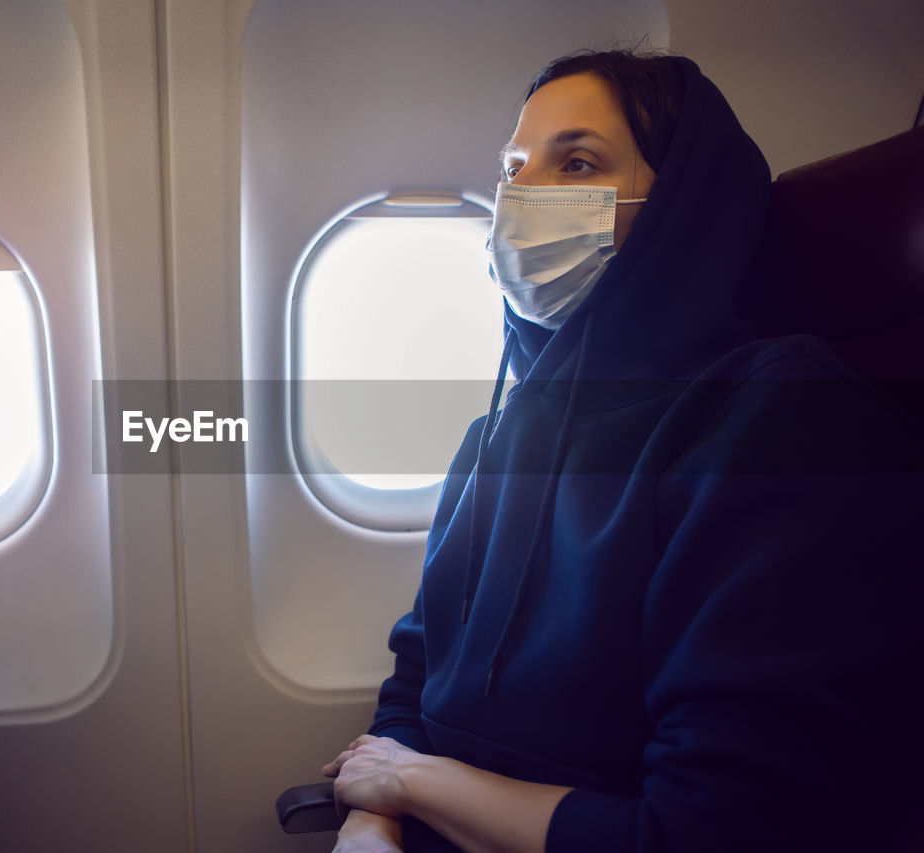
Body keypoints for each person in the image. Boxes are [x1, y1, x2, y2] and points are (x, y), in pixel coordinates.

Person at [321, 50, 921, 853]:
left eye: (576, 162)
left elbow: (706, 830)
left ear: (681, 206)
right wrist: (371, 820)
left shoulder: (779, 419)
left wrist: (407, 782)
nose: (521, 197)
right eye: (511, 168)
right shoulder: (496, 437)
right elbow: (417, 672)